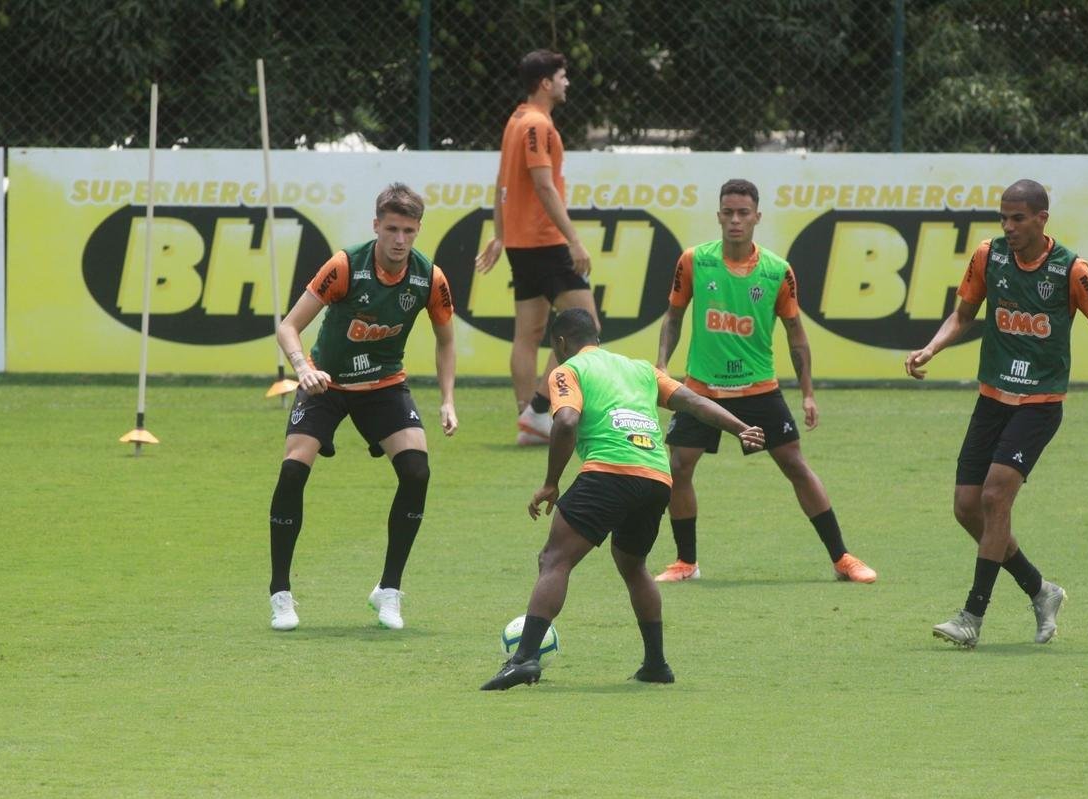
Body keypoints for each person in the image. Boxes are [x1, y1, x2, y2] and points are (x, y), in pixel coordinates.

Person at [480, 309, 766, 690]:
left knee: (554, 559)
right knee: (633, 565)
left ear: (561, 342)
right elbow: (694, 402)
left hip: (608, 471)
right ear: (595, 335)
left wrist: (551, 482)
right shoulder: (642, 369)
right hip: (655, 477)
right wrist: (741, 428)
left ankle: (525, 658)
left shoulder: (568, 371)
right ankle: (656, 664)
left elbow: (565, 422)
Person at [906, 178, 1088, 648]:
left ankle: (971, 617)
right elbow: (962, 315)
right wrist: (931, 348)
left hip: (1039, 406)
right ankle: (1040, 590)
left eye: (1018, 218)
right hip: (992, 400)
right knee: (967, 508)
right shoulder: (989, 256)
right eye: (1003, 218)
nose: (1008, 227)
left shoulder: (1070, 269)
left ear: (1042, 219)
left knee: (994, 498)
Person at [652, 178, 877, 584]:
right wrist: (662, 366)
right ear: (718, 215)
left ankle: (842, 558)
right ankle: (687, 563)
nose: (735, 220)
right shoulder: (693, 261)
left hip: (759, 388)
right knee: (679, 466)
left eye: (743, 213)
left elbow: (796, 335)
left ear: (757, 217)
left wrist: (807, 394)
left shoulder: (777, 271)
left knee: (795, 465)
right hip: (702, 387)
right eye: (728, 212)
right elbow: (673, 317)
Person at [267, 182, 458, 632]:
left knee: (417, 472)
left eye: (409, 230)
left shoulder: (429, 277)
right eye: (391, 228)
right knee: (294, 468)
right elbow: (289, 326)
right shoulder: (344, 266)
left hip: (384, 385)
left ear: (417, 231)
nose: (399, 239)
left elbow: (446, 340)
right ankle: (281, 594)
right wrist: (302, 368)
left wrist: (448, 399)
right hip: (326, 383)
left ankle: (388, 591)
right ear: (376, 226)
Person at [474, 48, 598, 447]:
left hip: (521, 243)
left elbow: (500, 184)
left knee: (528, 332)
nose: (567, 83)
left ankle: (528, 418)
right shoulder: (536, 124)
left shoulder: (516, 119)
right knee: (586, 324)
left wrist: (501, 235)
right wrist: (574, 240)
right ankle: (540, 412)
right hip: (545, 241)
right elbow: (543, 186)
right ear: (545, 83)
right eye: (562, 76)